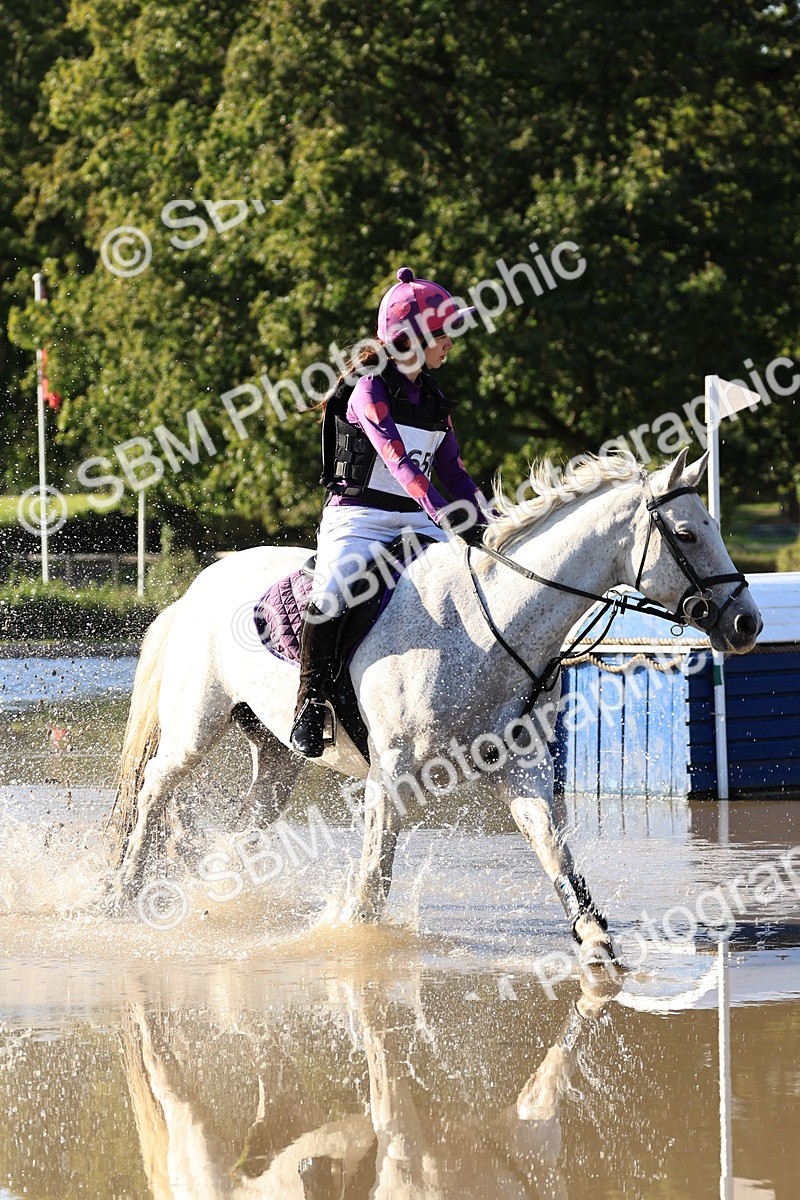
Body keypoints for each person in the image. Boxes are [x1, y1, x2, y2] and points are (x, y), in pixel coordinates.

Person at [290, 266, 490, 758]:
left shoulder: (435, 400)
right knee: (331, 594)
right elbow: (400, 464)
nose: (450, 343)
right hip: (358, 518)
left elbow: (455, 473)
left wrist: (489, 523)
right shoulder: (369, 390)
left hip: (418, 520)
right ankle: (310, 703)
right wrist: (443, 513)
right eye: (443, 333)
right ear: (413, 337)